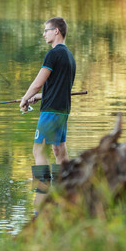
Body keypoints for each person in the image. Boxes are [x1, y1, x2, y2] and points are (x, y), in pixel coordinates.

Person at [19, 17, 76, 212]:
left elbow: (37, 82)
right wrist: (40, 97)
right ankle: (67, 186)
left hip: (51, 111)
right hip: (62, 110)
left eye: (46, 30)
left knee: (38, 150)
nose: (44, 34)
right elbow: (60, 88)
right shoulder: (69, 56)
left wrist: (26, 98)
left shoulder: (53, 54)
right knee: (59, 150)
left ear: (57, 32)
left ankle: (42, 191)